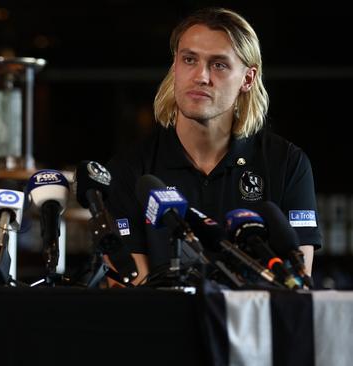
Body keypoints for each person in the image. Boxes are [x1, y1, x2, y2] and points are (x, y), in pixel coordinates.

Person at [106, 7, 322, 286]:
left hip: (253, 328)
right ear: (174, 66)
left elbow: (297, 286)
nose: (201, 76)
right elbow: (129, 290)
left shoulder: (288, 164)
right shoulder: (129, 169)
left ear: (248, 78)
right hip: (164, 327)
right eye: (189, 59)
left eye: (218, 64)